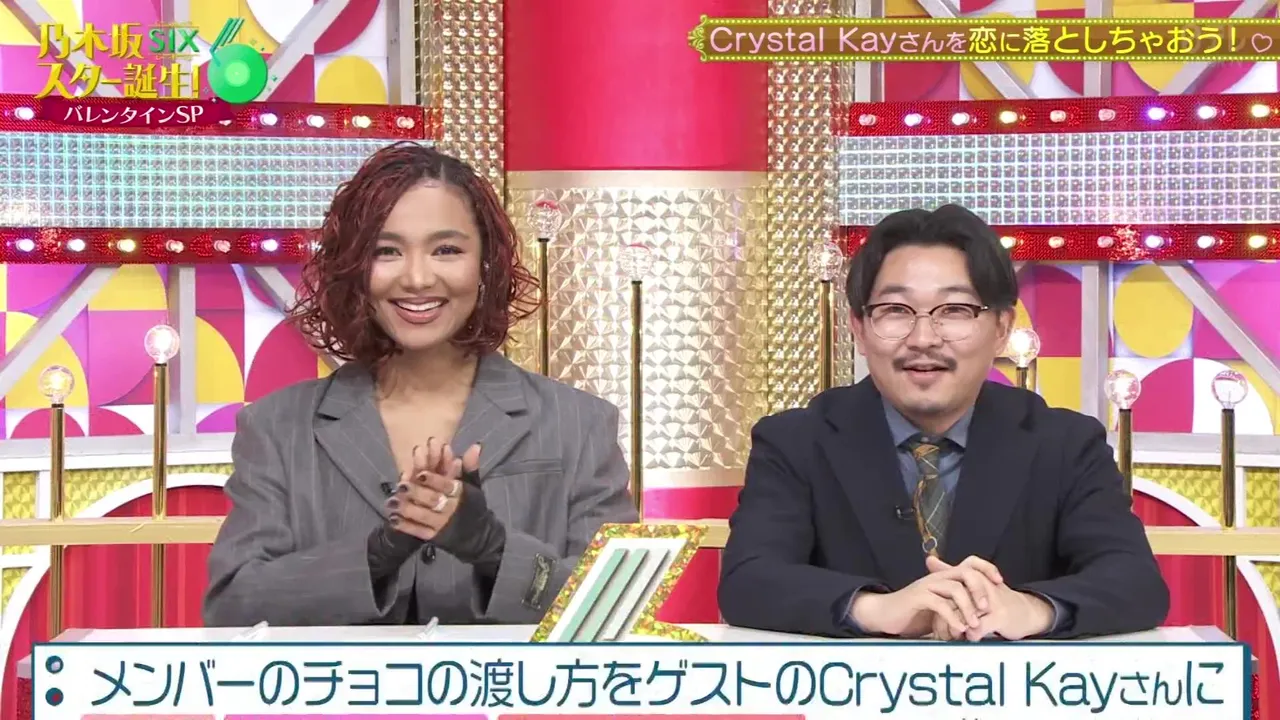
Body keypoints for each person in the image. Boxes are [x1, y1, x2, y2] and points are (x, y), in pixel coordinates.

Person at [204, 142, 638, 627]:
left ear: (486, 264)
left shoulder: (577, 423)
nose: (416, 278)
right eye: (386, 251)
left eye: (446, 250)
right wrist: (376, 557)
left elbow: (613, 610)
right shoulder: (278, 427)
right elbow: (233, 606)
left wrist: (493, 549)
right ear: (354, 268)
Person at [719, 204, 1169, 640]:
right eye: (896, 310)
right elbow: (749, 580)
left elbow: (1135, 581)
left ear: (1001, 328)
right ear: (858, 328)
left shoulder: (1065, 444)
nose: (923, 339)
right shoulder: (796, 443)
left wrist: (1029, 610)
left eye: (954, 311)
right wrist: (877, 609)